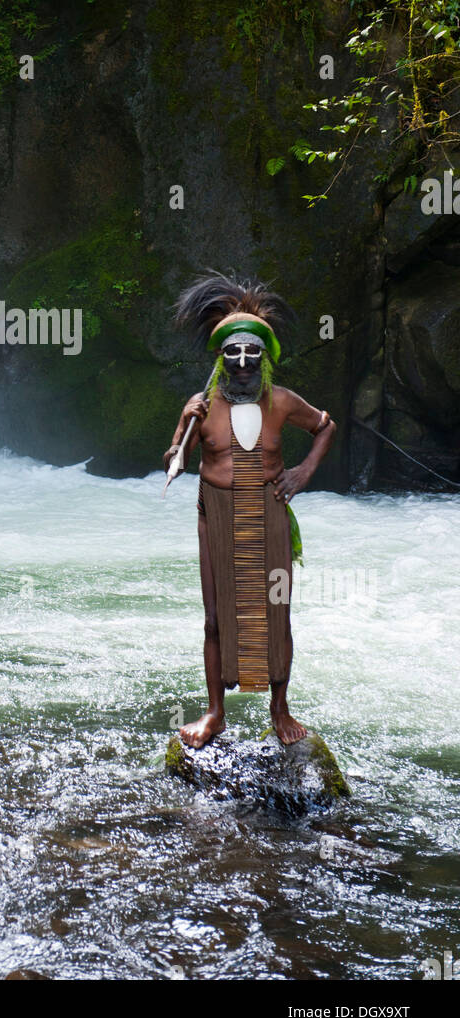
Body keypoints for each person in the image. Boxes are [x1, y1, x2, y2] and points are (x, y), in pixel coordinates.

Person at [163, 274, 336, 749]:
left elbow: (326, 426)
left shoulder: (280, 403)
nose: (242, 365)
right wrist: (184, 425)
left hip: (268, 511)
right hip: (215, 512)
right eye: (232, 356)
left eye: (251, 355)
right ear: (220, 361)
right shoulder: (203, 407)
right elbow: (172, 466)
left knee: (276, 611)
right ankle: (215, 712)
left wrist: (302, 473)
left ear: (263, 358)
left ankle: (279, 709)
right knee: (215, 616)